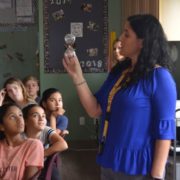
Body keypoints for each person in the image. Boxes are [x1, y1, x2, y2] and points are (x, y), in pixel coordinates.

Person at [63, 14, 177, 180]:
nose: (120, 38)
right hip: (109, 160)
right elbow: (94, 110)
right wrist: (77, 76)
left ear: (142, 42)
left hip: (138, 169)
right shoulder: (119, 72)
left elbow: (165, 131)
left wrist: (157, 175)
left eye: (127, 34)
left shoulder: (160, 77)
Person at [23, 104, 68, 179]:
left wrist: (41, 154)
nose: (41, 119)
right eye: (35, 116)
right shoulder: (20, 135)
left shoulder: (46, 129)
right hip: (24, 165)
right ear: (25, 121)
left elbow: (63, 144)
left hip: (43, 164)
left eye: (43, 116)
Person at [0, 103, 44, 179]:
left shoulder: (34, 145)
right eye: (12, 117)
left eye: (20, 115)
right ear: (2, 126)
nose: (20, 119)